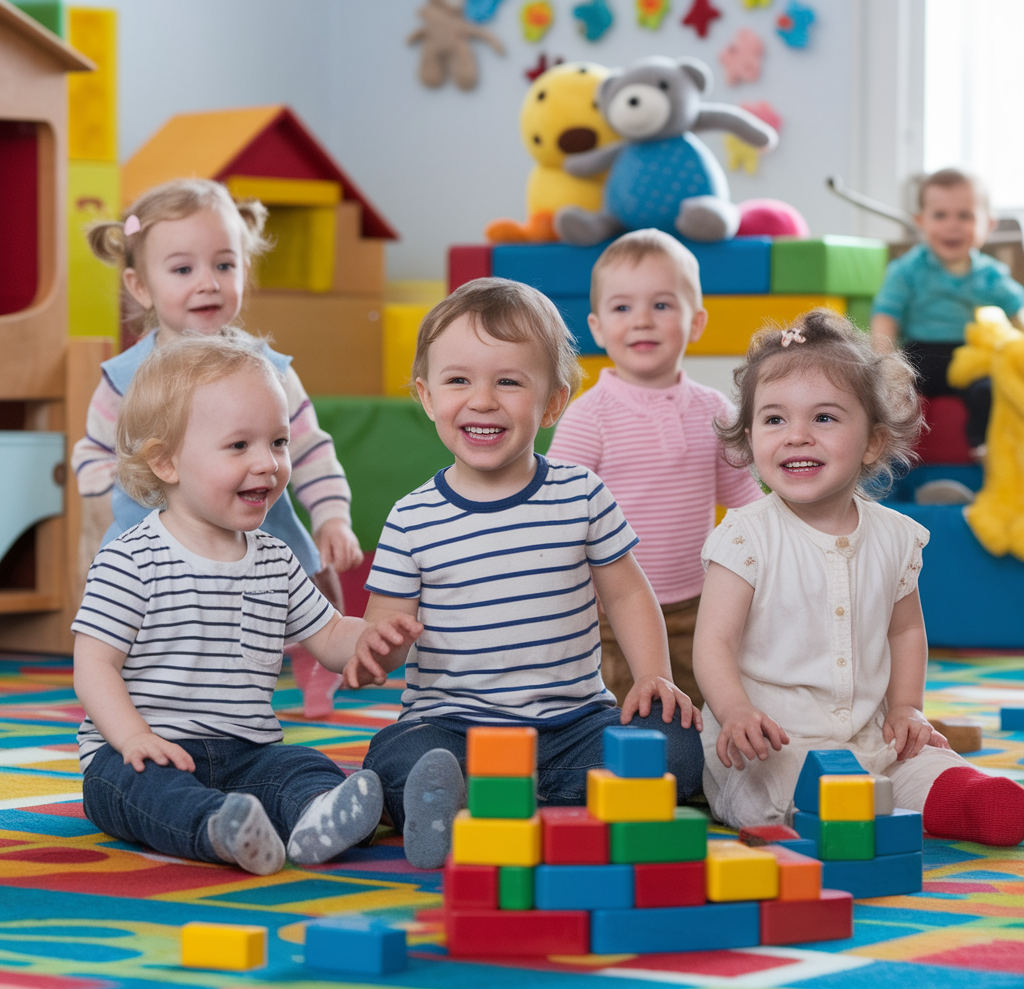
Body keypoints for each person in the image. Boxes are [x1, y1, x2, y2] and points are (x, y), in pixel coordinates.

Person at [340, 278, 705, 870]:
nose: (483, 401)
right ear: (426, 396)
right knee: (395, 756)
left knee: (678, 746)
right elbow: (383, 625)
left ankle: (493, 805)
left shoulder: (581, 494)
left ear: (553, 403)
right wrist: (377, 647)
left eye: (508, 382)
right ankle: (489, 799)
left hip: (571, 725)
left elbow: (627, 594)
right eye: (458, 381)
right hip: (452, 729)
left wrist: (653, 676)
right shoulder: (411, 518)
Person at [72, 335, 421, 875]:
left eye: (278, 442)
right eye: (239, 446)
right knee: (134, 789)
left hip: (246, 754)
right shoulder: (130, 559)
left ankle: (315, 817)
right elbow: (93, 666)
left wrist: (371, 639)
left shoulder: (275, 558)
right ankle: (217, 827)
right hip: (141, 753)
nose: (268, 463)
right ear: (165, 461)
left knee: (302, 765)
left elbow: (330, 637)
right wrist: (133, 737)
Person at [692, 308, 1024, 846]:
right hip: (773, 741)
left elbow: (905, 630)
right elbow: (714, 641)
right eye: (774, 420)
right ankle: (821, 820)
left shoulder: (895, 536)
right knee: (785, 785)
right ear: (750, 437)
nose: (797, 436)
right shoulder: (746, 536)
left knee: (919, 761)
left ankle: (963, 798)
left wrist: (907, 708)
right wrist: (735, 712)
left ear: (872, 441)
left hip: (873, 737)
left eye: (824, 418)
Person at [71, 178, 361, 717]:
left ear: (244, 270)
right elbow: (92, 450)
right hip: (153, 535)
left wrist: (332, 517)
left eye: (224, 265)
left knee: (305, 592)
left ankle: (315, 663)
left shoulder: (269, 372)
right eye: (183, 270)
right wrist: (112, 488)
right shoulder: (124, 378)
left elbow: (309, 448)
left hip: (259, 526)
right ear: (140, 285)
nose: (207, 283)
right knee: (148, 621)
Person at [546, 229, 763, 709]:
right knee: (621, 715)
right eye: (622, 307)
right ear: (597, 327)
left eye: (661, 305)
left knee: (707, 712)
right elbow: (557, 513)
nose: (642, 320)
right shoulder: (589, 415)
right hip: (609, 613)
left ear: (696, 321)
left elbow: (747, 502)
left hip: (701, 605)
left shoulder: (715, 410)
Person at [871, 168, 1024, 456]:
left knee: (990, 389)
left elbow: (1018, 313)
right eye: (940, 215)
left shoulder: (991, 275)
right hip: (920, 355)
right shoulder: (906, 270)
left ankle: (984, 448)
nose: (952, 226)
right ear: (921, 222)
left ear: (988, 225)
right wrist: (885, 363)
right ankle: (890, 452)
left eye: (965, 216)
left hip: (970, 357)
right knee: (889, 392)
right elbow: (886, 317)